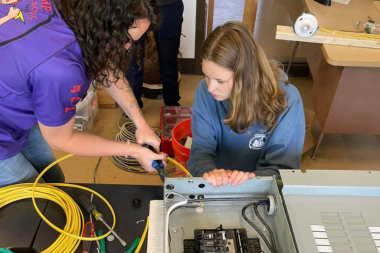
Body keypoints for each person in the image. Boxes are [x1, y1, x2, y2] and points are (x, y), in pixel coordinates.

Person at [0, 0, 167, 187]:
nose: (127, 49)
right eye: (126, 40)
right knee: (34, 198)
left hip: (11, 102)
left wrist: (140, 123)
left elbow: (105, 66)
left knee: (54, 180)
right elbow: (62, 139)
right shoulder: (60, 70)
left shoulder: (76, 12)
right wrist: (134, 151)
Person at [188, 21, 305, 188]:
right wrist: (209, 172)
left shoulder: (288, 100)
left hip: (261, 188)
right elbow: (200, 152)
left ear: (246, 77)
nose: (210, 87)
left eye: (220, 81)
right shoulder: (204, 92)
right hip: (216, 185)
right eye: (206, 76)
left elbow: (283, 170)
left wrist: (248, 180)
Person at [119, 0, 183, 128]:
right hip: (134, 5)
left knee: (169, 59)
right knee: (132, 60)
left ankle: (171, 104)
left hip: (168, 5)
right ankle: (133, 107)